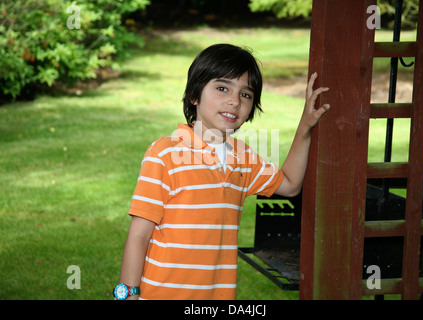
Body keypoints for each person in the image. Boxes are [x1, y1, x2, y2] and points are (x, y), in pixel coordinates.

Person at [114, 44, 330, 300]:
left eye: (246, 94)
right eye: (222, 88)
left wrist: (305, 126)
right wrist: (127, 296)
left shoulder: (244, 158)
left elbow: (291, 184)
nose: (234, 101)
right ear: (195, 95)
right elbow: (139, 235)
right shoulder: (165, 154)